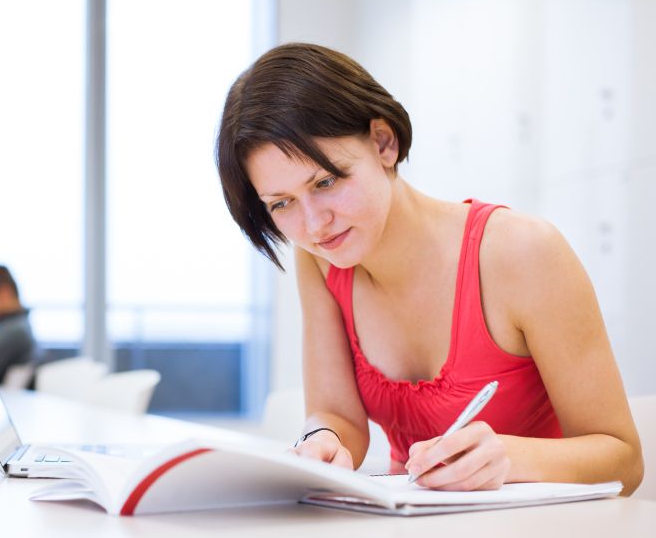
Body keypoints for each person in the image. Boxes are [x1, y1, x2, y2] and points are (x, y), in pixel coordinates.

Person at [216, 43, 643, 494]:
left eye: (325, 181)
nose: (313, 224)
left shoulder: (523, 253)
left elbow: (625, 459)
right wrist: (321, 438)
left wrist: (511, 457)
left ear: (383, 142)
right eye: (282, 204)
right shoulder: (319, 261)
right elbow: (340, 416)